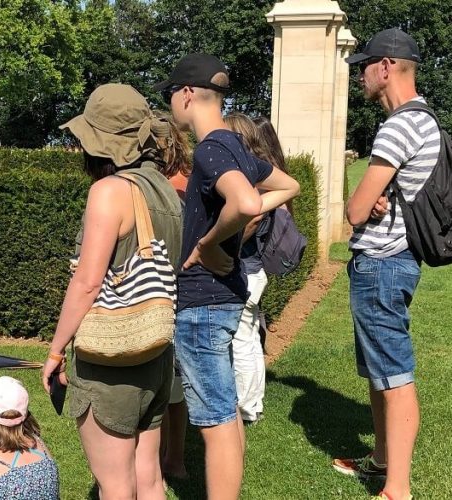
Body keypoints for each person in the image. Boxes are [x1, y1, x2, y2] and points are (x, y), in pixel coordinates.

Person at [156, 53, 300, 499]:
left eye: (169, 98)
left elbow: (246, 203)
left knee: (216, 420)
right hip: (226, 295)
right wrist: (229, 240)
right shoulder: (237, 143)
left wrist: (208, 244)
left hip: (202, 300)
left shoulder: (213, 148)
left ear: (184, 95)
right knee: (227, 413)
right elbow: (287, 186)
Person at [40, 83, 182, 499]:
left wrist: (54, 351)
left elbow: (86, 283)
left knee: (116, 486)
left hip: (111, 363)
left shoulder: (109, 192)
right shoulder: (163, 189)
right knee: (149, 478)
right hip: (155, 353)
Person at [334, 28, 436, 500]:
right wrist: (377, 200)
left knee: (394, 375)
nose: (361, 77)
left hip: (383, 262)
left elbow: (354, 211)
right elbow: (392, 194)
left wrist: (365, 203)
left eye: (365, 67)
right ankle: (381, 460)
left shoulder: (399, 125)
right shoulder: (423, 120)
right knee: (381, 371)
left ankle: (398, 488)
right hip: (394, 258)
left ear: (387, 67)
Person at [223, 113, 296, 424]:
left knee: (241, 339)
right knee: (249, 337)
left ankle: (245, 409)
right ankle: (252, 405)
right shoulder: (263, 172)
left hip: (246, 268)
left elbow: (252, 218)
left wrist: (225, 248)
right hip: (255, 270)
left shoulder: (249, 175)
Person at [156, 111, 192, 480]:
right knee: (173, 386)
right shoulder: (188, 181)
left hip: (167, 296)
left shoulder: (174, 187)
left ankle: (170, 458)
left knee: (167, 384)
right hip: (179, 293)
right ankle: (173, 458)